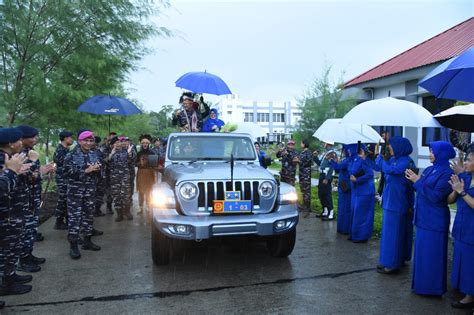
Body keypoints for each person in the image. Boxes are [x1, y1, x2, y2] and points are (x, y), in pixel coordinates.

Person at [405, 141, 455, 296]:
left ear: (442, 153)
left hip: (435, 220)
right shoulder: (429, 169)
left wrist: (418, 181)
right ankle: (420, 286)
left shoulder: (447, 173)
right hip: (422, 218)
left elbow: (436, 196)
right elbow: (421, 189)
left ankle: (432, 289)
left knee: (433, 256)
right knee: (421, 255)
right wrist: (415, 180)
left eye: (432, 151)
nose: (430, 154)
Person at [0, 127, 33, 297]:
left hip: (14, 213)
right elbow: (2, 188)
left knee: (11, 250)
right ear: (11, 144)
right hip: (5, 216)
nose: (22, 142)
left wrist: (20, 171)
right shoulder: (3, 160)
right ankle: (6, 284)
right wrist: (12, 172)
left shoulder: (10, 158)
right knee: (5, 252)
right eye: (19, 140)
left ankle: (10, 277)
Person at [375, 136, 415, 274]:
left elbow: (391, 170)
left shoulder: (405, 162)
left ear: (399, 146)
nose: (389, 148)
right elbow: (380, 166)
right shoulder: (394, 160)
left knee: (393, 235)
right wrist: (378, 155)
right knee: (393, 234)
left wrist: (380, 158)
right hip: (391, 201)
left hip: (397, 203)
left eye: (391, 145)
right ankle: (397, 259)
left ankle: (392, 264)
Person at [63, 130, 102, 259]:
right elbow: (67, 172)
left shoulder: (94, 154)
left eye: (91, 141)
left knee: (88, 216)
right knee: (75, 218)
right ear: (80, 141)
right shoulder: (71, 155)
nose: (88, 143)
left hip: (90, 191)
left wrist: (97, 169)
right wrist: (86, 170)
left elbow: (97, 171)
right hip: (75, 192)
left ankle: (87, 241)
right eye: (86, 140)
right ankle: (73, 246)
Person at [447, 151, 474, 309]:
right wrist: (454, 189)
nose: (465, 163)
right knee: (461, 259)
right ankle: (461, 288)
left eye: (469, 160)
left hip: (472, 228)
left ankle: (470, 295)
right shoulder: (465, 178)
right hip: (461, 225)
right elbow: (450, 200)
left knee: (471, 262)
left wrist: (461, 192)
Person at [349, 144, 375, 243]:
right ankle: (355, 235)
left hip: (366, 191)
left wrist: (357, 179)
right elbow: (351, 171)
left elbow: (370, 174)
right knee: (356, 214)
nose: (349, 152)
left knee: (362, 215)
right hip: (358, 191)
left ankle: (361, 237)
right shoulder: (355, 160)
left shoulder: (365, 161)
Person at [330, 144, 357, 234]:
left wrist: (332, 160)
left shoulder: (348, 160)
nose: (346, 151)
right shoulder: (349, 160)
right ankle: (344, 228)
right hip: (345, 186)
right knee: (344, 208)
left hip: (345, 187)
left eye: (346, 150)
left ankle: (344, 228)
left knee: (344, 209)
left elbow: (338, 167)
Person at [108, 136, 134, 221]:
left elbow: (131, 160)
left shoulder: (125, 151)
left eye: (118, 142)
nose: (118, 144)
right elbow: (104, 162)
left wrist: (130, 154)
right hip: (114, 178)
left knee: (126, 195)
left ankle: (127, 212)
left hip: (125, 177)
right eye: (115, 143)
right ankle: (119, 214)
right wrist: (111, 155)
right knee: (116, 196)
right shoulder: (110, 153)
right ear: (112, 145)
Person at [53, 130, 73, 229]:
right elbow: (63, 164)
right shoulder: (61, 150)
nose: (72, 139)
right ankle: (59, 222)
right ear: (65, 138)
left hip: (66, 178)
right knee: (63, 199)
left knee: (66, 200)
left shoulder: (66, 149)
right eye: (70, 137)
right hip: (62, 178)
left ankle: (66, 220)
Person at [313, 141, 336, 220]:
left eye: (325, 143)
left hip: (327, 175)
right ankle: (325, 211)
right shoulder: (326, 153)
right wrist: (315, 157)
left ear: (329, 144)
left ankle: (331, 213)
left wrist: (327, 178)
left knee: (327, 194)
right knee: (321, 194)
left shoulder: (332, 154)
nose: (323, 144)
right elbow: (321, 164)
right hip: (322, 174)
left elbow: (332, 166)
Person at [136, 135, 156, 215]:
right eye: (143, 143)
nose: (145, 144)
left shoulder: (152, 153)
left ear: (148, 144)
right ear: (141, 144)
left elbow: (155, 163)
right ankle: (140, 207)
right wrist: (139, 163)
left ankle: (148, 206)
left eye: (146, 143)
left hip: (149, 173)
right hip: (141, 173)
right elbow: (135, 163)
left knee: (148, 191)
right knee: (141, 191)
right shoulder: (139, 153)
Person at [298, 140, 313, 217]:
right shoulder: (303, 152)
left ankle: (307, 208)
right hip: (302, 174)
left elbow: (307, 163)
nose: (300, 144)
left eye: (301, 143)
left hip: (306, 175)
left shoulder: (308, 153)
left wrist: (299, 161)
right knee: (303, 190)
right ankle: (304, 205)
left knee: (307, 191)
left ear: (304, 144)